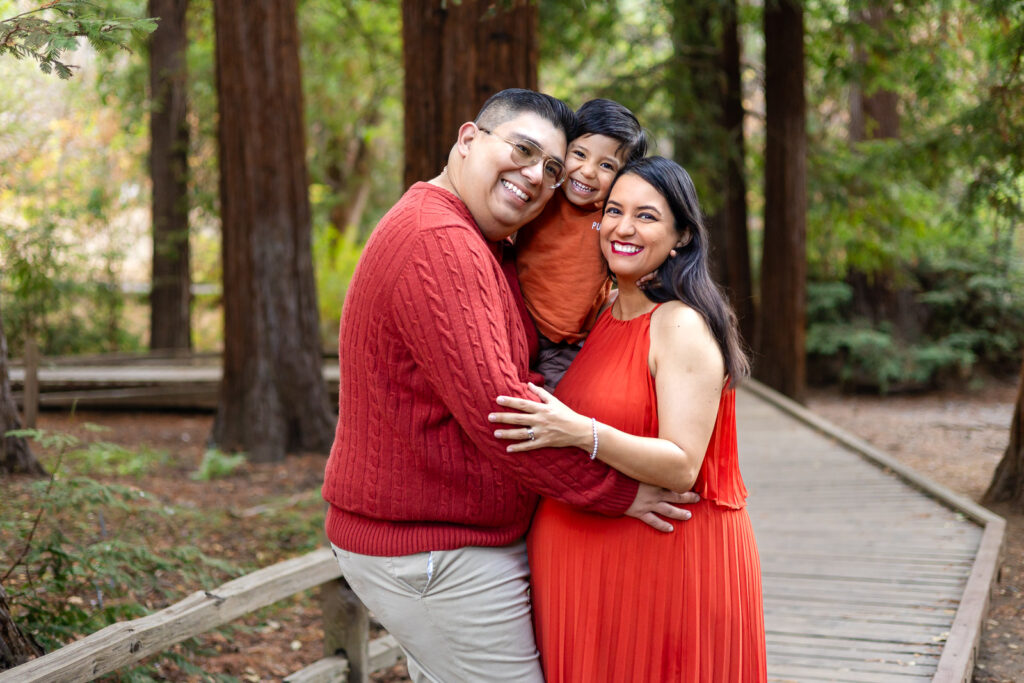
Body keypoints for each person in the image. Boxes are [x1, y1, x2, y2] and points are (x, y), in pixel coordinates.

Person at [321, 90, 699, 683]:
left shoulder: (480, 241)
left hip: (445, 541)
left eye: (551, 168)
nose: (536, 176)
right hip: (435, 553)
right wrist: (618, 493)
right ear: (469, 139)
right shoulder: (438, 242)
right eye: (522, 150)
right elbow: (507, 419)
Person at [491, 156, 767, 682]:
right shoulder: (609, 310)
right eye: (614, 211)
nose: (623, 227)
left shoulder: (679, 324)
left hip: (663, 565)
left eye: (646, 216)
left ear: (682, 235)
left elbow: (683, 465)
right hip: (584, 571)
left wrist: (580, 433)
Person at [514, 98, 647, 388]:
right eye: (580, 154)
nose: (587, 171)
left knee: (552, 410)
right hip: (515, 320)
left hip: (567, 346)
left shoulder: (612, 217)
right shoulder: (543, 195)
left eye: (606, 165)